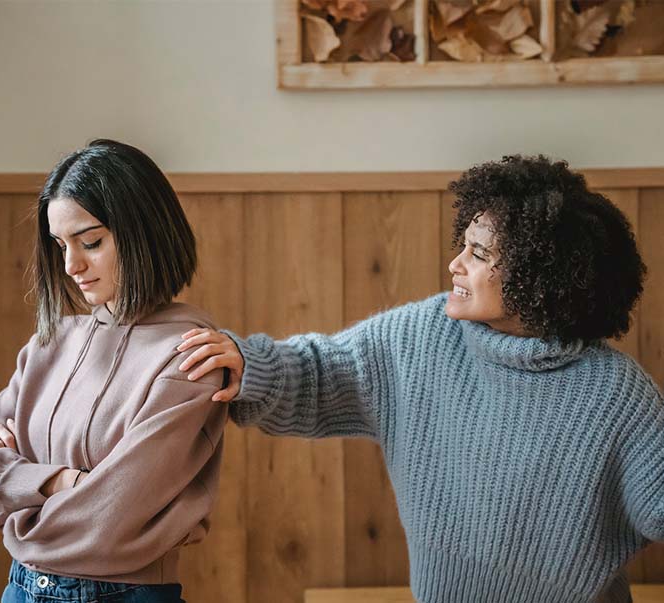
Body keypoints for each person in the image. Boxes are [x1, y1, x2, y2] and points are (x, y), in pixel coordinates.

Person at [177, 155, 663, 603]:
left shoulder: (616, 392)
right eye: (464, 245)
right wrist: (250, 364)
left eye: (478, 253)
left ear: (540, 273)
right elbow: (324, 370)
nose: (455, 263)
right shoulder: (424, 333)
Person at [0, 139, 228, 603]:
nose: (71, 266)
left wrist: (12, 485)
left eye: (90, 242)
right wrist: (62, 481)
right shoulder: (49, 343)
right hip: (19, 589)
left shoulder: (190, 356)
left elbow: (111, 521)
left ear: (144, 231)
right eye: (60, 245)